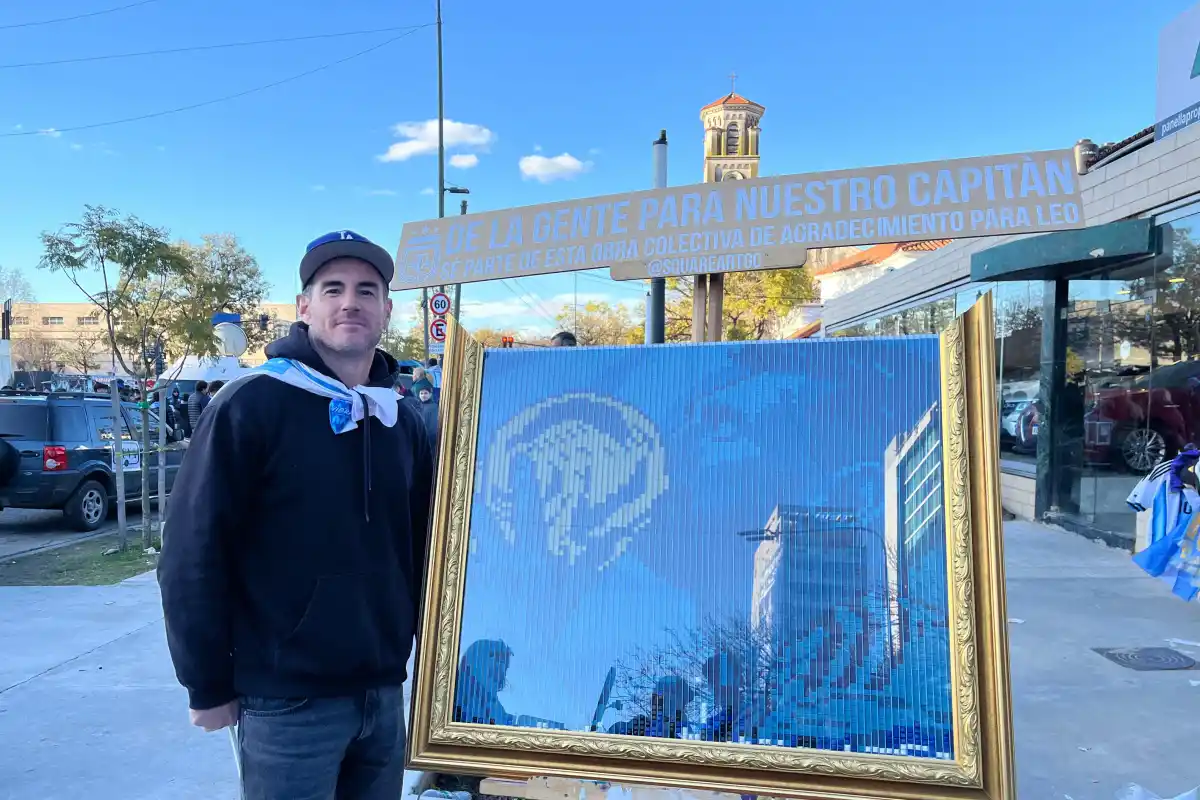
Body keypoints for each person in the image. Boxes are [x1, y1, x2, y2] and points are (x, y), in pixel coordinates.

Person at [158, 229, 434, 800]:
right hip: (286, 700)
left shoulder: (400, 420)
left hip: (384, 694)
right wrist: (206, 683)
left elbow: (426, 547)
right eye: (332, 288)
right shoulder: (250, 405)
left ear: (386, 309)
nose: (350, 302)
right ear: (305, 307)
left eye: (366, 289)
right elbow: (192, 553)